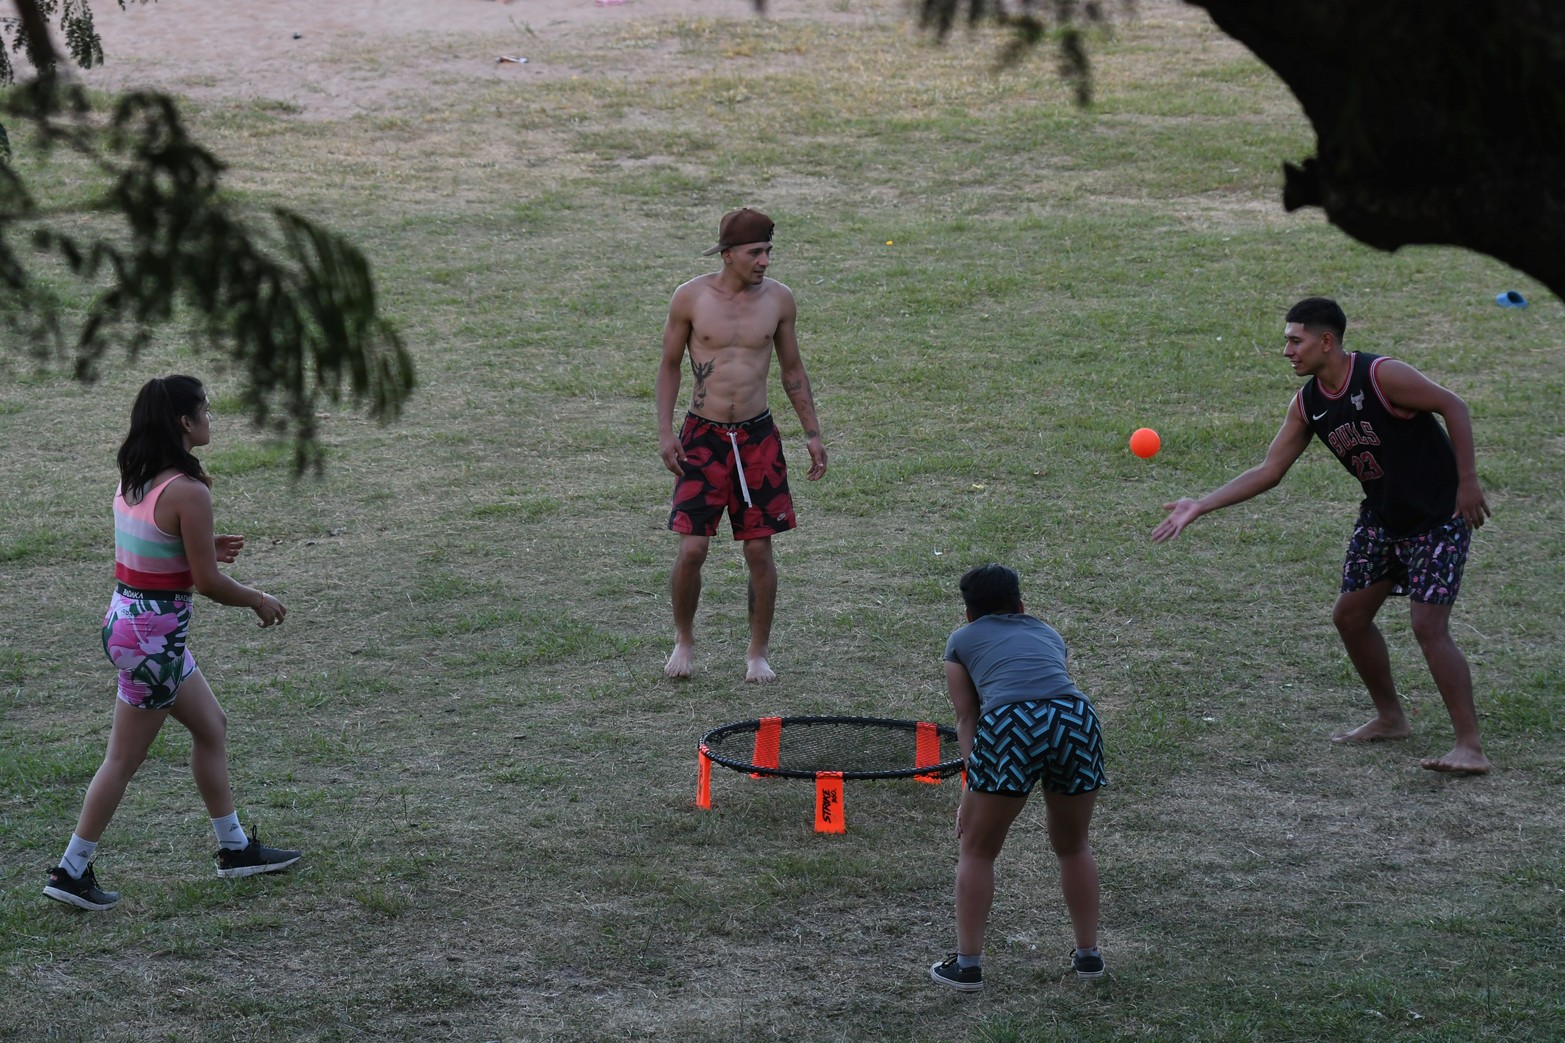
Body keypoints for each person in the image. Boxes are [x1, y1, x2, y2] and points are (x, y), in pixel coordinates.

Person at [1152, 297, 1492, 774]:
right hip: (1383, 520)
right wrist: (1201, 504)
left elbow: (1451, 404)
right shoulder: (1308, 403)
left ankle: (1470, 747)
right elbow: (1270, 470)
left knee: (1427, 626)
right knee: (1350, 617)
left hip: (1438, 516)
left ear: (1326, 341)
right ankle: (1391, 718)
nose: (1287, 351)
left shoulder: (1381, 376)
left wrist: (1468, 482)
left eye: (1296, 340)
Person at [44, 375, 301, 912]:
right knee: (122, 759)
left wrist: (200, 544)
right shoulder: (189, 491)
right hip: (155, 640)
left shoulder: (135, 479)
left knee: (212, 726)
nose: (211, 418)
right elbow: (206, 584)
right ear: (185, 423)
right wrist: (257, 598)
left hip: (128, 624)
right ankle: (71, 871)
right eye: (205, 410)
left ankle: (234, 849)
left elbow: (152, 546)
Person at [656, 207, 827, 683]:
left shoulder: (780, 301)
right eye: (755, 252)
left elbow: (793, 371)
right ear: (728, 255)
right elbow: (669, 365)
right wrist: (666, 431)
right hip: (703, 438)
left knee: (759, 551)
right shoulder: (690, 298)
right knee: (692, 548)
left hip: (756, 438)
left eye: (768, 251)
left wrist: (811, 433)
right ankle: (684, 641)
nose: (765, 261)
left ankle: (757, 654)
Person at [930, 564, 1107, 992]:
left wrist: (971, 791)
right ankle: (1089, 957)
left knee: (977, 849)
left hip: (1011, 723)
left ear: (969, 613)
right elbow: (1048, 685)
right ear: (1021, 604)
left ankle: (967, 966)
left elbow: (967, 717)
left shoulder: (961, 640)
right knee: (1073, 845)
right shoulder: (1048, 632)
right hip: (1076, 719)